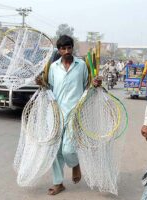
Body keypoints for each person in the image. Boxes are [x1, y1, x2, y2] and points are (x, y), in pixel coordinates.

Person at [36, 35, 102, 195]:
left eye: (69, 48)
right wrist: (40, 83)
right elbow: (49, 88)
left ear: (73, 48)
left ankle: (75, 163)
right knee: (55, 150)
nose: (66, 51)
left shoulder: (82, 66)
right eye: (63, 48)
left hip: (75, 112)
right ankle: (58, 183)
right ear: (59, 50)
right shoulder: (53, 67)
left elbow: (88, 86)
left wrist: (95, 84)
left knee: (68, 150)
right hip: (56, 113)